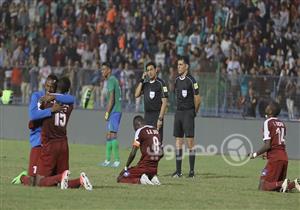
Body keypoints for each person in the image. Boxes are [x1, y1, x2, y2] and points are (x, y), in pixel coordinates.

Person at [13, 78, 92, 190]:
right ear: (44, 85)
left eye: (52, 87)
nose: (49, 89)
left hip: (47, 145)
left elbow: (32, 121)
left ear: (56, 88)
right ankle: (80, 180)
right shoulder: (62, 102)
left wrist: (53, 99)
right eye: (48, 86)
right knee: (59, 182)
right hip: (60, 143)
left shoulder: (46, 101)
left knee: (37, 182)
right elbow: (34, 115)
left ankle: (22, 178)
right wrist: (51, 109)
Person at [248, 101, 300, 192]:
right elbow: (278, 143)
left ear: (271, 111)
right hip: (284, 158)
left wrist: (255, 154)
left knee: (262, 186)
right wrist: (267, 154)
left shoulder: (267, 122)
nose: (266, 106)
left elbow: (268, 145)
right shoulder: (281, 123)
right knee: (277, 188)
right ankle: (294, 183)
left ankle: (283, 183)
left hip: (275, 159)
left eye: (268, 106)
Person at [172, 56, 201, 178]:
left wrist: (194, 112)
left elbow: (198, 99)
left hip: (188, 113)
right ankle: (178, 171)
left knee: (190, 141)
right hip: (178, 112)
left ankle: (192, 171)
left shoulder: (192, 80)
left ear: (186, 66)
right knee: (178, 141)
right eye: (178, 65)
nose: (178, 67)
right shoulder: (177, 80)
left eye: (180, 65)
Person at [117, 115, 163, 185]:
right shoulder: (155, 130)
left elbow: (133, 152)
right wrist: (154, 161)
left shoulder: (140, 131)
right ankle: (152, 177)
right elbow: (162, 152)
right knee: (137, 168)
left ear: (137, 125)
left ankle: (141, 179)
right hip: (154, 168)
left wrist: (126, 167)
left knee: (122, 176)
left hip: (145, 166)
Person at [135, 61, 168, 140]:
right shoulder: (146, 84)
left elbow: (164, 102)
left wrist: (160, 119)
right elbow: (136, 94)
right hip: (147, 116)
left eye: (151, 69)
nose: (149, 72)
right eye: (148, 70)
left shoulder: (161, 83)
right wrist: (142, 79)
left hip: (156, 116)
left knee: (157, 141)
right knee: (148, 141)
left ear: (156, 70)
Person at [100, 62, 122, 167]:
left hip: (115, 111)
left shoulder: (111, 80)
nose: (102, 71)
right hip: (115, 110)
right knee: (108, 135)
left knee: (112, 134)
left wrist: (107, 113)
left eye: (104, 69)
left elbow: (112, 99)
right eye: (101, 69)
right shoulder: (113, 80)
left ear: (109, 70)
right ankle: (107, 160)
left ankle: (117, 160)